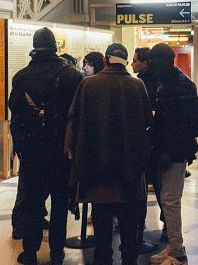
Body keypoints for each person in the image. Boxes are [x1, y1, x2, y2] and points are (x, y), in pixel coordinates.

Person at [65, 43, 153, 265]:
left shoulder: (88, 85)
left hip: (96, 172)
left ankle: (103, 258)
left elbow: (73, 122)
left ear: (105, 61)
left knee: (102, 227)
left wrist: (73, 154)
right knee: (128, 226)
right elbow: (147, 122)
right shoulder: (137, 85)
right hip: (129, 172)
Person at [8, 27, 82, 265]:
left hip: (32, 152)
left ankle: (29, 251)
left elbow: (16, 113)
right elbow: (78, 116)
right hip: (61, 151)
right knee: (60, 204)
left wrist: (21, 147)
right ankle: (57, 253)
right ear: (55, 47)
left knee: (32, 202)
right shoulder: (72, 75)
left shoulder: (21, 76)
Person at [147, 43, 198, 265]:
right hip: (167, 150)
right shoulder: (171, 82)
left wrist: (170, 150)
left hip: (174, 152)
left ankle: (178, 252)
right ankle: (173, 246)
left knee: (170, 201)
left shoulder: (180, 86)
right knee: (168, 200)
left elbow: (189, 125)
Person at [131, 46, 164, 252]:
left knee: (147, 183)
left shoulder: (143, 83)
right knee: (157, 184)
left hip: (148, 140)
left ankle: (138, 225)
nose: (132, 64)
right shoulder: (151, 81)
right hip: (152, 140)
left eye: (135, 60)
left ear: (144, 63)